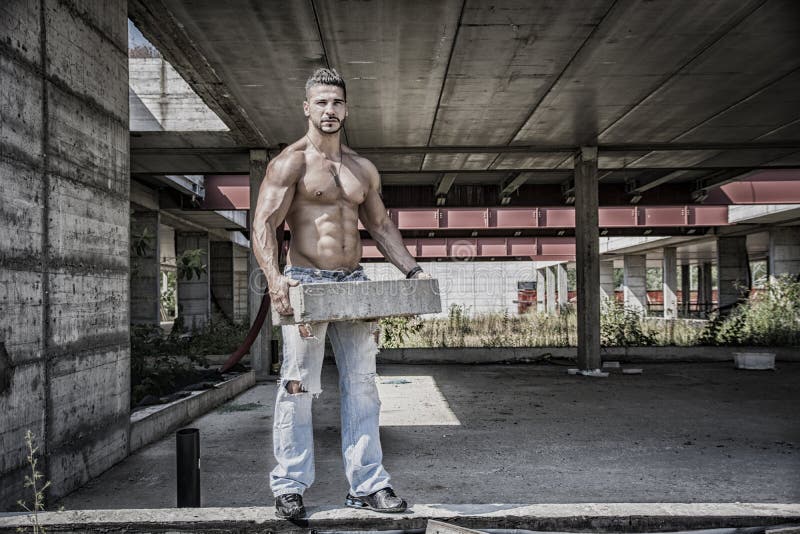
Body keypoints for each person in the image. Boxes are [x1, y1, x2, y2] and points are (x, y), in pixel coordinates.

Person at [251, 68, 429, 519]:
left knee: (363, 388)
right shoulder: (289, 162)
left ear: (346, 109)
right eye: (321, 103)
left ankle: (368, 486)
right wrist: (276, 281)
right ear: (307, 108)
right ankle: (289, 485)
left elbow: (381, 225)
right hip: (306, 286)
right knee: (298, 387)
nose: (330, 111)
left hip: (353, 287)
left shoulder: (361, 169)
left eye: (337, 103)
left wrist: (412, 271)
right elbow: (264, 226)